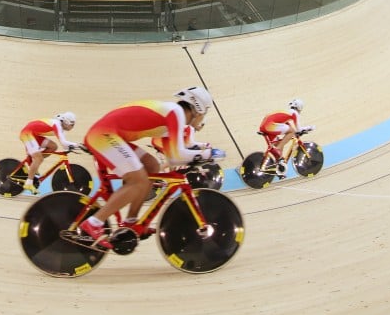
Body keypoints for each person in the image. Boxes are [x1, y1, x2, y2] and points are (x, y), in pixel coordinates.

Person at [79, 87, 224, 248]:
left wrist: (199, 156)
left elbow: (172, 157)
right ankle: (94, 222)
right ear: (198, 108)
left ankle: (131, 222)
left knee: (152, 166)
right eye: (206, 111)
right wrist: (208, 154)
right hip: (103, 135)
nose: (204, 116)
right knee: (138, 181)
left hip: (110, 136)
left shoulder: (174, 117)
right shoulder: (175, 112)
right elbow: (177, 156)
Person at [19, 112, 82, 194]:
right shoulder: (57, 125)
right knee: (39, 159)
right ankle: (29, 183)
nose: (73, 126)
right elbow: (64, 143)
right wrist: (79, 145)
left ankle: (34, 160)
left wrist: (76, 146)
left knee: (53, 147)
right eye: (72, 124)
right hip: (27, 134)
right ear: (66, 122)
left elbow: (65, 145)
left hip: (34, 134)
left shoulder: (61, 127)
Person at [258, 99, 312, 178]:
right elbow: (298, 129)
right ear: (299, 108)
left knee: (279, 143)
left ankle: (279, 169)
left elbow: (283, 123)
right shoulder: (294, 113)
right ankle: (278, 149)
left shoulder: (286, 112)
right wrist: (309, 128)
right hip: (270, 125)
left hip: (264, 126)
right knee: (292, 132)